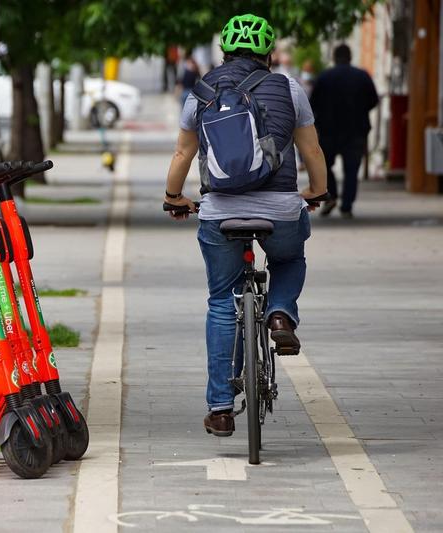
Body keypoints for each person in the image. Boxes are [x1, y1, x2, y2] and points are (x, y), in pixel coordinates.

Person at [163, 14, 328, 437]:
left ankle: (220, 407)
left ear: (224, 52)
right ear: (268, 53)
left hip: (219, 211)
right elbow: (310, 148)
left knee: (222, 300)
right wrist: (317, 191)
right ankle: (279, 315)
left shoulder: (200, 91)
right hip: (280, 207)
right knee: (290, 258)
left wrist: (174, 198)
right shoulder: (288, 87)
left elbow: (183, 155)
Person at [310, 44, 378, 218]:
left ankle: (331, 195)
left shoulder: (324, 77)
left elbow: (313, 103)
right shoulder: (362, 76)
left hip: (329, 130)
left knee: (325, 166)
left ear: (334, 57)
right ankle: (347, 206)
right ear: (350, 56)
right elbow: (373, 100)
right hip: (356, 130)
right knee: (351, 170)